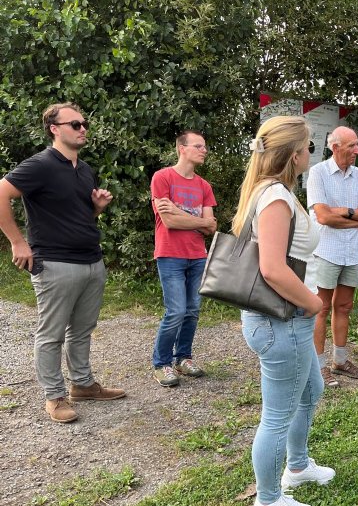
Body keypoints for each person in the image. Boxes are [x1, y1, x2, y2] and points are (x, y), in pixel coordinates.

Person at [0, 102, 126, 423]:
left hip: (91, 262)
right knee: (52, 333)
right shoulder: (40, 165)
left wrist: (96, 208)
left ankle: (83, 385)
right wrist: (17, 241)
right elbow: (1, 192)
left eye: (84, 123)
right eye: (74, 124)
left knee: (82, 330)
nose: (82, 128)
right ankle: (54, 396)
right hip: (54, 264)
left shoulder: (83, 170)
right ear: (55, 129)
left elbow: (78, 216)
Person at [231, 116, 333, 506]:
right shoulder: (274, 197)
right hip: (282, 320)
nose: (311, 153)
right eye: (308, 147)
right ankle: (269, 499)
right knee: (276, 415)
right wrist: (314, 303)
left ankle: (299, 466)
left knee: (310, 390)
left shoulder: (272, 191)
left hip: (288, 320)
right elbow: (272, 267)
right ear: (294, 155)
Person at [306, 126, 358, 388]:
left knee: (344, 306)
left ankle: (340, 360)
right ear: (335, 147)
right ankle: (318, 366)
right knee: (320, 308)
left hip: (351, 252)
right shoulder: (318, 173)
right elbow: (323, 217)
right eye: (352, 146)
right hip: (325, 250)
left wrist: (342, 215)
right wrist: (354, 215)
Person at [150, 130, 217, 387]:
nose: (204, 150)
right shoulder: (162, 177)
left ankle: (183, 358)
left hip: (197, 255)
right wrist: (198, 221)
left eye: (204, 146)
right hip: (170, 254)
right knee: (175, 311)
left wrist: (180, 213)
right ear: (182, 148)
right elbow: (168, 221)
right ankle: (161, 363)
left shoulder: (203, 186)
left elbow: (210, 227)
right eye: (198, 146)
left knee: (192, 311)